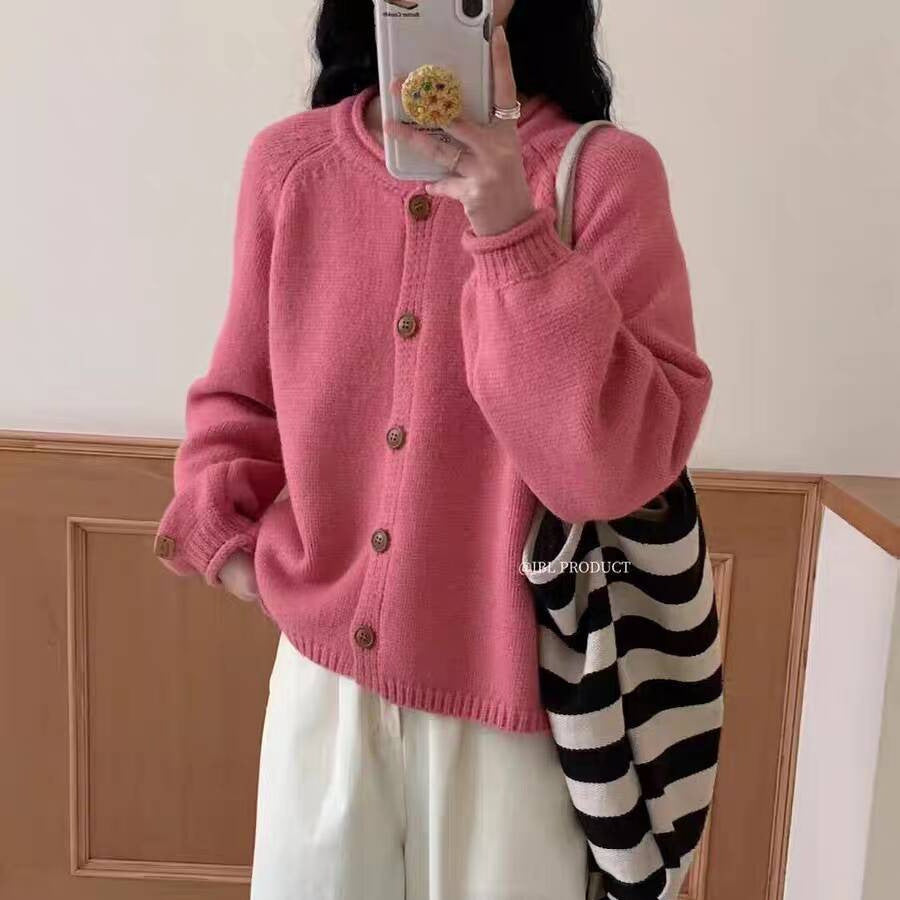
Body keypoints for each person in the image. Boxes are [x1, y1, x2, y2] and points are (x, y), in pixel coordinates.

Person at [152, 1, 714, 897]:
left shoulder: (607, 177)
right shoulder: (290, 167)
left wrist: (509, 226)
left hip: (518, 715)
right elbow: (237, 401)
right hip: (324, 694)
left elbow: (607, 472)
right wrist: (239, 554)